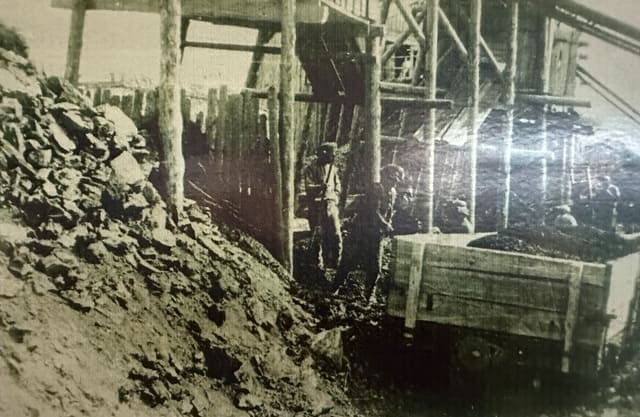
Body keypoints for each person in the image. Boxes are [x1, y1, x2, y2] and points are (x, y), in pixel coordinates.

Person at [333, 164, 405, 302]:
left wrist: (386, 226)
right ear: (383, 177)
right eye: (391, 179)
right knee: (348, 261)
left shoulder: (393, 193)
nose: (393, 183)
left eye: (395, 181)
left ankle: (368, 294)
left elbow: (388, 212)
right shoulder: (375, 189)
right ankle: (335, 287)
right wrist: (385, 225)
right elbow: (373, 210)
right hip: (360, 231)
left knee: (375, 267)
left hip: (376, 235)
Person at [304, 142, 342, 273]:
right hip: (316, 207)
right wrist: (320, 187)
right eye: (331, 154)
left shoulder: (333, 169)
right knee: (317, 236)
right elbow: (308, 187)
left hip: (331, 206)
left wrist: (333, 196)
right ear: (323, 154)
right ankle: (316, 265)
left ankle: (335, 263)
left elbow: (338, 187)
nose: (333, 157)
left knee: (336, 234)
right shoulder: (310, 168)